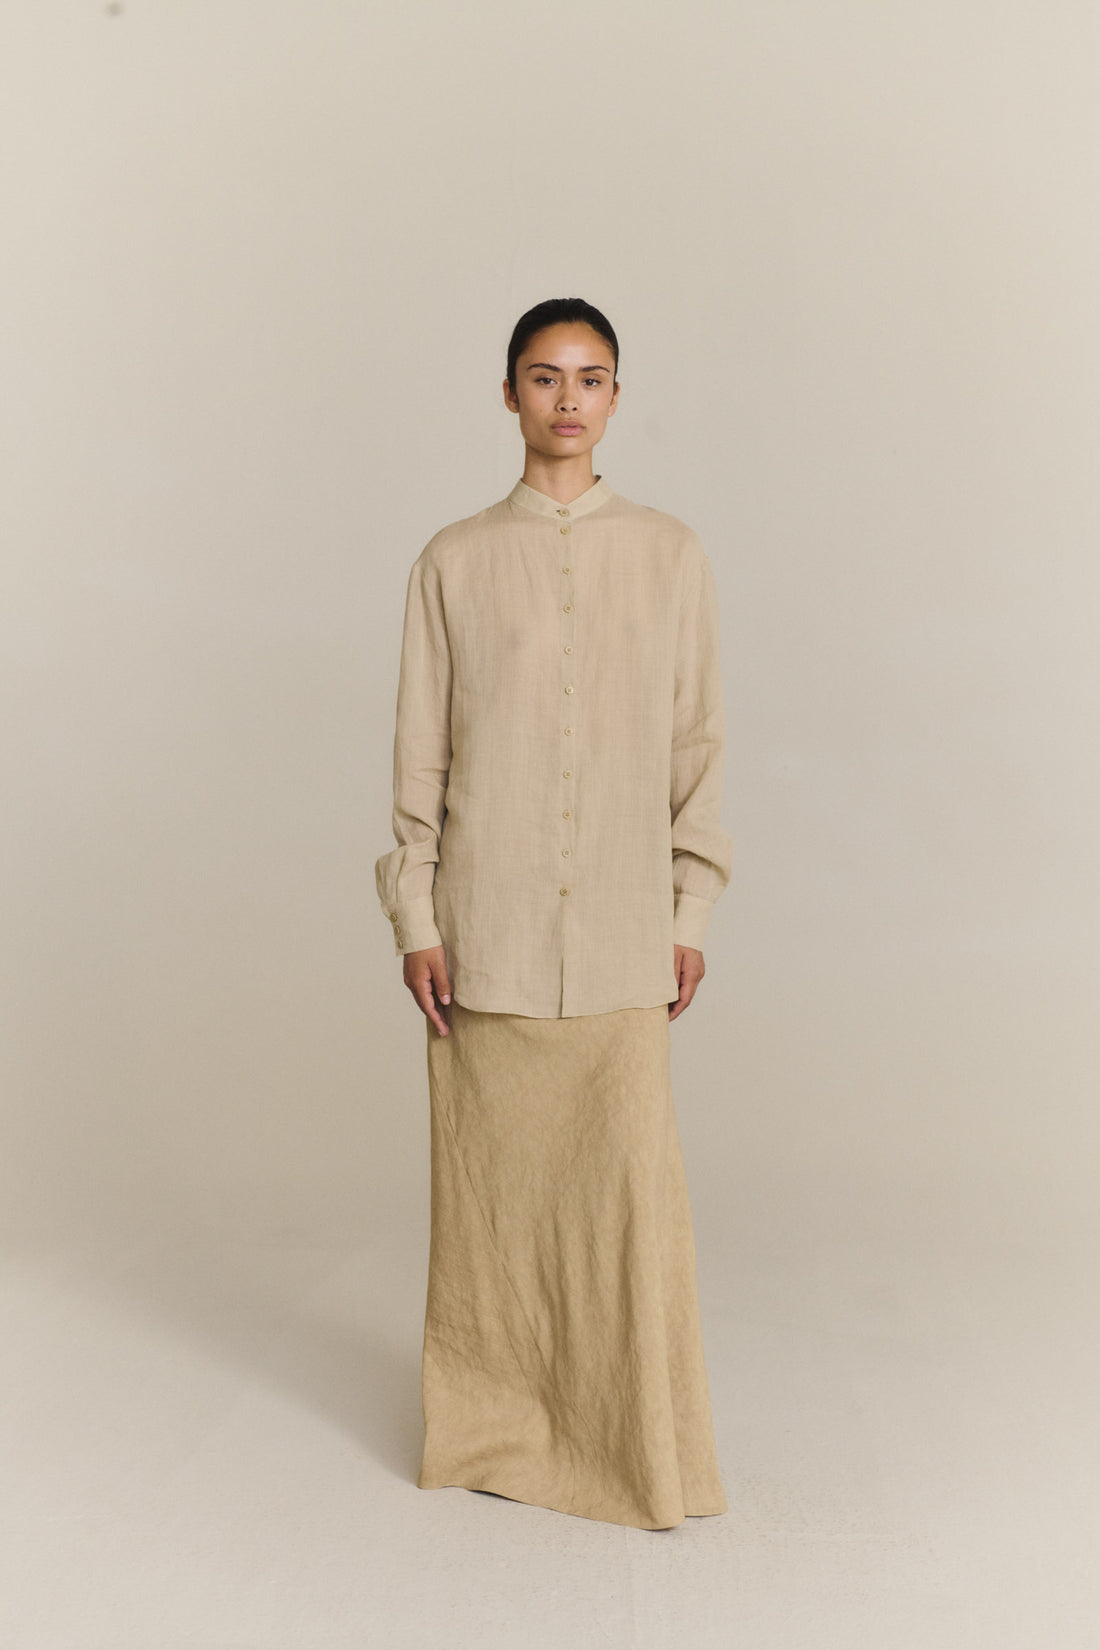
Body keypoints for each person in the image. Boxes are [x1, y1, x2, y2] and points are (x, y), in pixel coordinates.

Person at [375, 297, 734, 1529]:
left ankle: (627, 1449)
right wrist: (415, 918)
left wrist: (689, 907)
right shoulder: (452, 561)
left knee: (624, 1211)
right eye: (543, 376)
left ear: (616, 399)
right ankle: (494, 1437)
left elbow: (696, 745)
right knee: (491, 1216)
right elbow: (420, 758)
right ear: (509, 394)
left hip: (626, 933)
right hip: (489, 936)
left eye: (589, 378)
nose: (566, 399)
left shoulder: (671, 555)